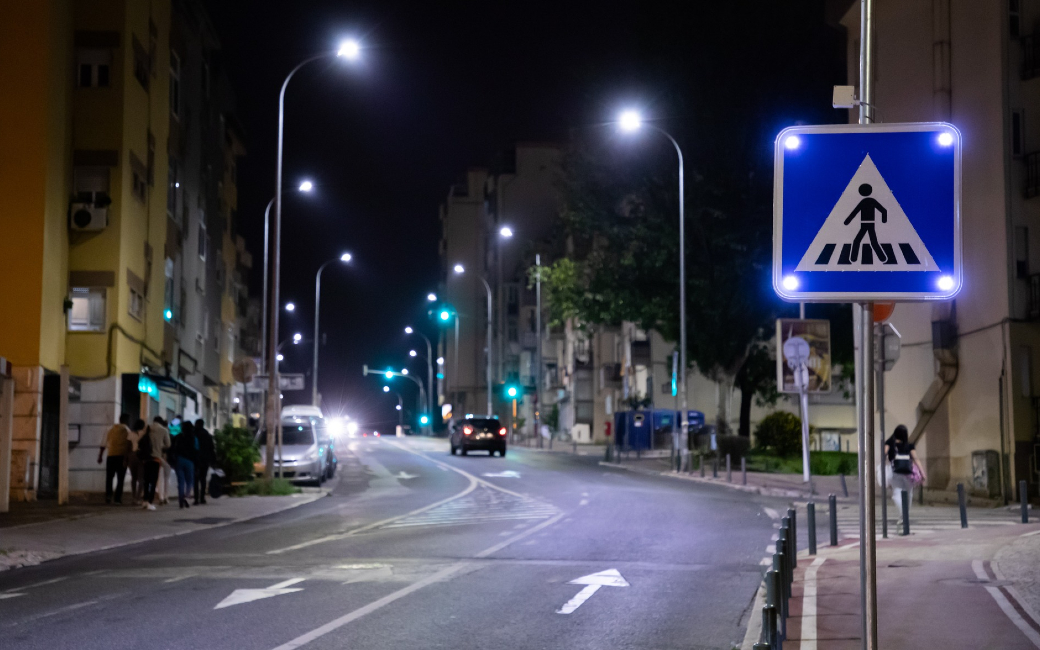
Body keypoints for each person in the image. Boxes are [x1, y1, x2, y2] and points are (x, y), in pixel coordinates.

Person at [884, 424, 927, 515]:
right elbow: (916, 459)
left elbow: (883, 455)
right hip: (908, 473)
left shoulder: (890, 445)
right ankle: (905, 514)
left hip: (895, 472)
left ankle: (902, 515)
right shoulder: (909, 446)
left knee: (896, 494)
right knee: (909, 494)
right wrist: (922, 473)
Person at [97, 414, 131, 504]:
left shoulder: (110, 429)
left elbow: (103, 443)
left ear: (119, 420)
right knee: (120, 478)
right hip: (122, 456)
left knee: (109, 477)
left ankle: (108, 496)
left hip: (111, 456)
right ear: (127, 421)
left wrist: (100, 456)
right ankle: (117, 499)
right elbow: (129, 446)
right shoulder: (128, 431)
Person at [141, 416, 171, 511]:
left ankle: (144, 501)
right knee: (153, 481)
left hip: (146, 457)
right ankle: (150, 502)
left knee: (146, 480)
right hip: (156, 458)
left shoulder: (148, 427)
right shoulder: (163, 430)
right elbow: (168, 444)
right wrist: (160, 447)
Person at [172, 420, 197, 509]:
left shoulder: (178, 437)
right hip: (190, 461)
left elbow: (173, 448)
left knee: (181, 481)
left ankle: (181, 499)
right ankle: (187, 496)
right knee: (189, 481)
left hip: (179, 459)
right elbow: (196, 449)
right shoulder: (194, 438)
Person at [194, 418, 215, 505]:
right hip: (205, 460)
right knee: (203, 479)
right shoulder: (208, 435)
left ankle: (196, 499)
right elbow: (212, 448)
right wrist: (213, 460)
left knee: (195, 479)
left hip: (196, 459)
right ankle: (202, 498)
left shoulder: (194, 434)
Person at [126, 418, 146, 504]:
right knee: (141, 478)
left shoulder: (130, 434)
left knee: (133, 478)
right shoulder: (144, 434)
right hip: (141, 455)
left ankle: (133, 497)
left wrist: (126, 458)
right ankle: (138, 497)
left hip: (132, 455)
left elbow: (128, 446)